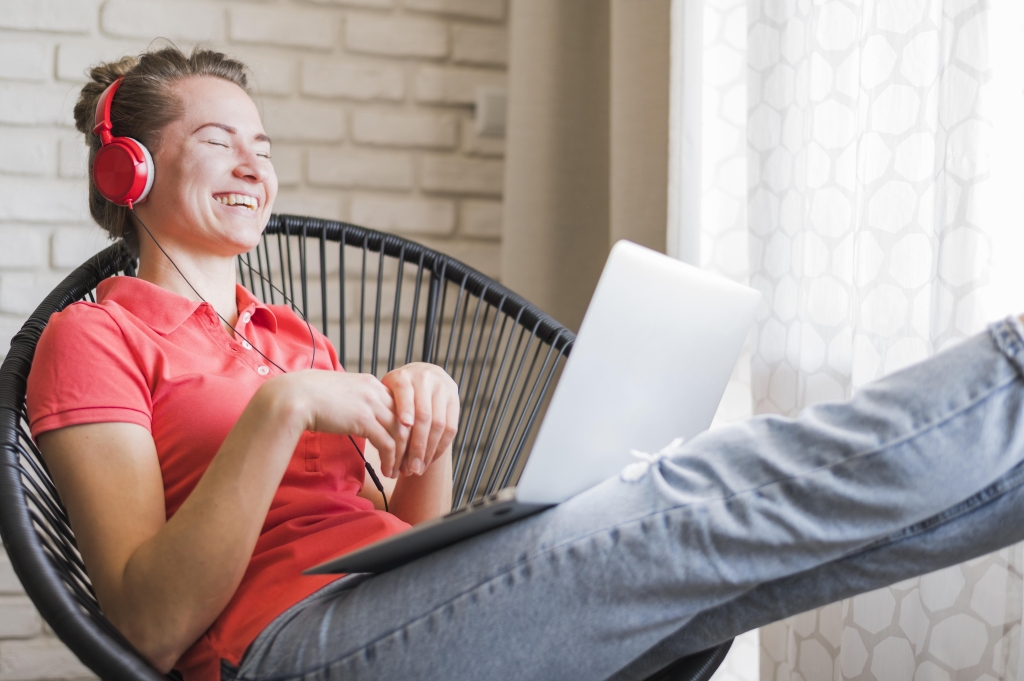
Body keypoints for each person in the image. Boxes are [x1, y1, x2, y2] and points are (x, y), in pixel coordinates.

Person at [24, 45, 1024, 681]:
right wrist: (276, 412)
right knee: (684, 495)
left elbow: (393, 539)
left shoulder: (288, 333)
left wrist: (427, 435)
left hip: (398, 615)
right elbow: (149, 625)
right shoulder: (94, 337)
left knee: (751, 569)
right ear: (131, 171)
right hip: (287, 650)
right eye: (217, 141)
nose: (255, 166)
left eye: (265, 145)